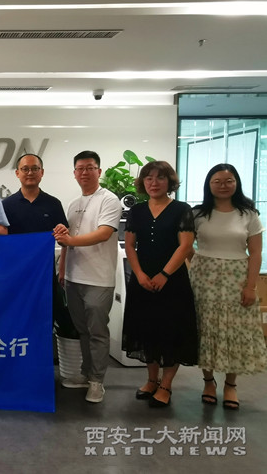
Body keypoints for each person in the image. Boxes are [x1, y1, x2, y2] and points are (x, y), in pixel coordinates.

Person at [190, 163, 267, 410]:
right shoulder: (197, 213)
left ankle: (231, 385)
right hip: (204, 279)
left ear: (236, 183)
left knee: (235, 331)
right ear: (209, 184)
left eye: (228, 181)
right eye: (217, 181)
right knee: (206, 329)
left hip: (237, 278)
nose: (223, 186)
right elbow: (185, 246)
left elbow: (256, 253)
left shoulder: (249, 214)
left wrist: (251, 286)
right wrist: (199, 263)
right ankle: (208, 382)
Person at [121, 161, 198, 408]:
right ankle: (151, 380)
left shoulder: (181, 209)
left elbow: (185, 246)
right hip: (142, 280)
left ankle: (166, 385)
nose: (154, 183)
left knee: (171, 331)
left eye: (160, 178)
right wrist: (139, 274)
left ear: (170, 182)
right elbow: (130, 245)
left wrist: (164, 274)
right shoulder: (137, 211)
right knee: (147, 330)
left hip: (173, 281)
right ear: (143, 182)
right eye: (149, 178)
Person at [54, 150, 122, 403]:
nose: (85, 172)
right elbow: (66, 241)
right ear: (74, 173)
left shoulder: (109, 200)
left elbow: (103, 233)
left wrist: (70, 241)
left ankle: (97, 382)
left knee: (97, 332)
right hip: (74, 277)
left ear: (99, 171)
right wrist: (63, 268)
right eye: (80, 169)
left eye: (90, 168)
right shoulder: (73, 204)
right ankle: (86, 374)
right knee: (83, 331)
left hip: (99, 278)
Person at [2, 153, 71, 352]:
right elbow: (0, 241)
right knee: (15, 321)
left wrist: (62, 267)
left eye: (34, 169)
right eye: (25, 169)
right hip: (15, 277)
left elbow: (64, 239)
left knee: (43, 322)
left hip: (44, 277)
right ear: (17, 173)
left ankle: (40, 365)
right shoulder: (6, 205)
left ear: (42, 172)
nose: (30, 173)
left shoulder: (53, 204)